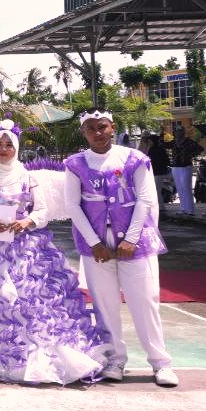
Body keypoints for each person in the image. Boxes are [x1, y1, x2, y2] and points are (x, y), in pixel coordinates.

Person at [0, 120, 109, 384]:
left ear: (16, 147)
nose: (4, 150)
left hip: (28, 250)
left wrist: (27, 222)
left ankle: (40, 355)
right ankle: (3, 359)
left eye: (9, 145)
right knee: (0, 301)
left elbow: (41, 210)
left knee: (34, 304)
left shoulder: (29, 177)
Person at [65, 110, 177, 387]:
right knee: (104, 306)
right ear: (84, 133)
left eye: (102, 126)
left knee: (145, 302)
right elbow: (72, 206)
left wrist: (132, 239)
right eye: (90, 129)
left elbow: (146, 200)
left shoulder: (135, 159)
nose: (97, 133)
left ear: (112, 127)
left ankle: (161, 363)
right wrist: (94, 242)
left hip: (134, 246)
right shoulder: (75, 164)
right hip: (98, 248)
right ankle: (115, 359)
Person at [166, 125, 203, 214]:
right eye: (177, 131)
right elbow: (163, 144)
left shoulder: (188, 141)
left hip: (186, 166)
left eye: (180, 131)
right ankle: (183, 208)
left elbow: (200, 149)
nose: (178, 133)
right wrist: (161, 133)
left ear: (183, 132)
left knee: (186, 188)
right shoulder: (174, 142)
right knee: (180, 188)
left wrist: (189, 155)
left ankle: (190, 209)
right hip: (175, 167)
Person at [143, 133, 173, 205]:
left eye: (150, 141)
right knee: (156, 191)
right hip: (157, 172)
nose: (149, 142)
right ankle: (160, 206)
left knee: (156, 191)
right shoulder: (155, 149)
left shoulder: (155, 150)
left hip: (158, 173)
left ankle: (161, 207)